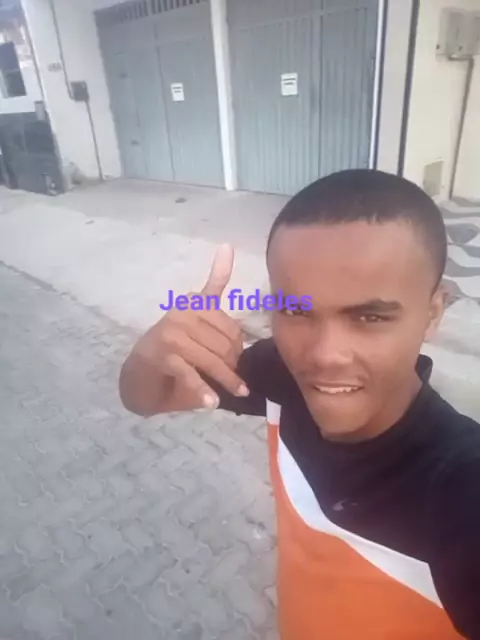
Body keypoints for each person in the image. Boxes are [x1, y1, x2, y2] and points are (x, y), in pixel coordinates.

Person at [119, 169, 480, 640]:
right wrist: (148, 354)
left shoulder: (459, 486)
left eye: (370, 317)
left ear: (433, 313)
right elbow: (147, 399)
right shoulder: (279, 375)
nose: (325, 356)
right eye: (296, 311)